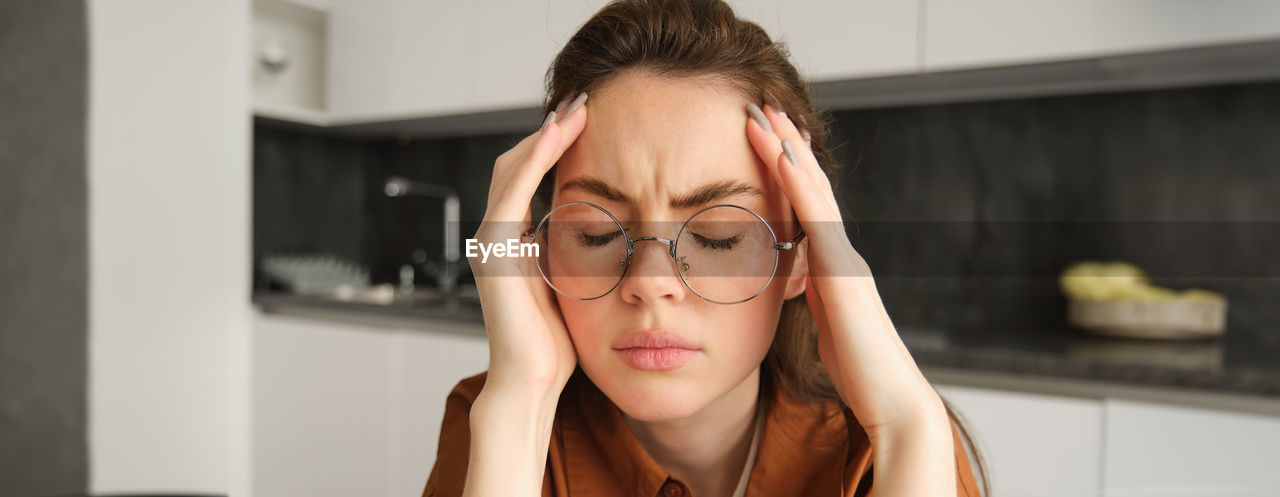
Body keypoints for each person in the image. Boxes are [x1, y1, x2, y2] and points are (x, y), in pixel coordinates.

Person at [424, 1, 987, 495]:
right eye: (595, 232)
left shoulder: (895, 446)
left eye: (718, 234)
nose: (650, 279)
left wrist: (912, 425)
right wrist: (519, 401)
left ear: (801, 257)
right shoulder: (495, 419)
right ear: (541, 251)